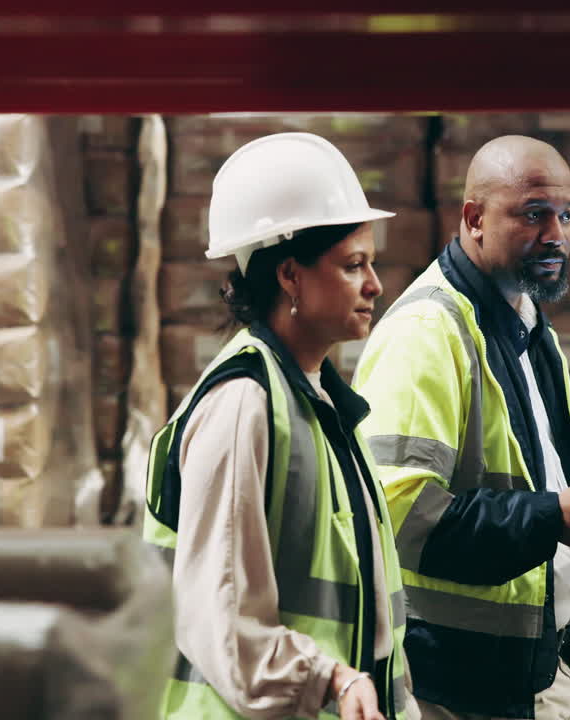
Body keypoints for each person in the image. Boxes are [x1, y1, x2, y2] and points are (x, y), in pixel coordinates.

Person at [352, 135, 570, 720]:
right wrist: (555, 517)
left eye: (567, 216)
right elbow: (400, 517)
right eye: (533, 214)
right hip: (452, 689)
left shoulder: (526, 326)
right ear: (475, 219)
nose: (555, 234)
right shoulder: (429, 333)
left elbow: (527, 494)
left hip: (518, 676)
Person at [142, 133, 420, 720]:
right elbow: (221, 612)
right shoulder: (244, 403)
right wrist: (331, 680)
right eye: (353, 265)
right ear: (290, 276)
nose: (375, 285)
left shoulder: (317, 402)